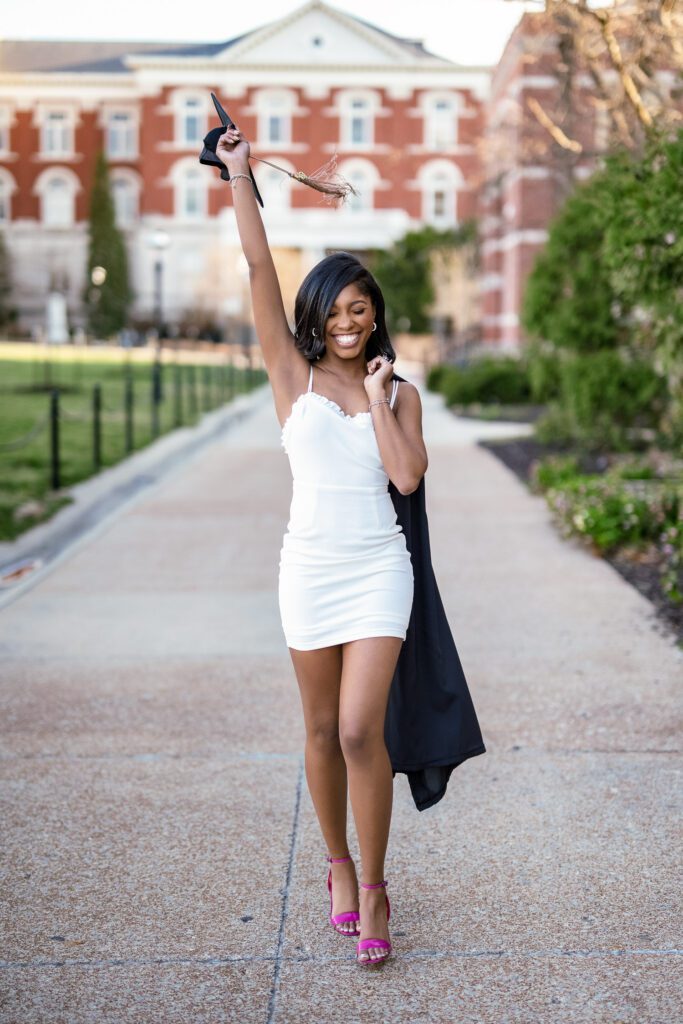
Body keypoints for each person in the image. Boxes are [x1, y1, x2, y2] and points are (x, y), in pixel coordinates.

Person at [216, 123, 429, 969]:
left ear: (375, 314)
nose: (346, 322)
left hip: (378, 569)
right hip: (306, 569)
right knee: (314, 728)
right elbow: (260, 270)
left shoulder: (399, 391)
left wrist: (378, 400)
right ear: (315, 317)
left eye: (359, 308)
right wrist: (239, 174)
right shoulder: (290, 375)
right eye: (333, 310)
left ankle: (375, 886)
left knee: (354, 731)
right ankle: (335, 866)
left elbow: (407, 480)